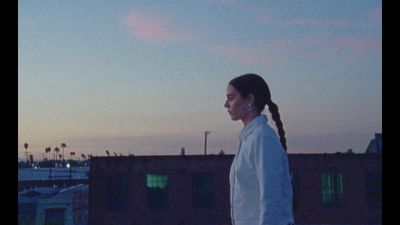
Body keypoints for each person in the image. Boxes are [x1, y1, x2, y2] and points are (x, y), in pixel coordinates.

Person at [224, 73, 295, 225]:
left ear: (249, 99)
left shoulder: (262, 138)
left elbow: (271, 197)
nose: (226, 104)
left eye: (231, 98)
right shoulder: (249, 139)